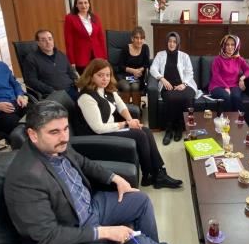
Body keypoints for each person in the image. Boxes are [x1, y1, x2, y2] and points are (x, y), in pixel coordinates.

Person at [4, 100, 203, 244]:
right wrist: (105, 231)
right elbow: (47, 236)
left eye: (65, 129)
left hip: (90, 206)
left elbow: (84, 163)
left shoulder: (57, 146)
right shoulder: (26, 177)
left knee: (140, 200)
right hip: (76, 228)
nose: (64, 137)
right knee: (140, 243)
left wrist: (115, 178)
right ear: (33, 135)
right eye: (54, 132)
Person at [77, 59, 183, 190]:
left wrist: (131, 121)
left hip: (110, 128)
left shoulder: (106, 89)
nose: (105, 79)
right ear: (91, 75)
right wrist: (126, 123)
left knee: (146, 131)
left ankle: (159, 172)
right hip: (98, 135)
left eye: (108, 75)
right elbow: (98, 128)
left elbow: (121, 106)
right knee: (140, 135)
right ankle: (150, 174)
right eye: (100, 75)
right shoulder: (86, 97)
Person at [150, 32, 199, 145]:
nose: (171, 44)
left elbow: (190, 73)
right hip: (168, 86)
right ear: (166, 42)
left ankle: (179, 127)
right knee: (171, 98)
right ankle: (169, 129)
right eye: (169, 41)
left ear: (177, 43)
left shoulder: (184, 56)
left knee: (187, 97)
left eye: (174, 42)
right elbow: (153, 69)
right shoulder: (160, 55)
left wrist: (184, 84)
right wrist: (162, 79)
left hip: (184, 85)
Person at [22, 30, 78, 100]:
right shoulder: (31, 59)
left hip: (70, 89)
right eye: (43, 40)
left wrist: (78, 82)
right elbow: (31, 81)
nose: (48, 42)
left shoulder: (60, 54)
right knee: (76, 105)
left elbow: (71, 73)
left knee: (87, 100)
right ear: (38, 43)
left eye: (50, 39)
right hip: (52, 94)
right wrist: (50, 90)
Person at [208, 34, 249, 113]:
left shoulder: (239, 59)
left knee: (236, 97)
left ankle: (239, 118)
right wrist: (226, 87)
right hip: (217, 85)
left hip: (234, 85)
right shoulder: (217, 60)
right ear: (223, 46)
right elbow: (216, 76)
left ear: (236, 46)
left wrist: (242, 78)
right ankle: (227, 119)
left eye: (232, 45)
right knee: (226, 96)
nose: (230, 47)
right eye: (227, 44)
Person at [64, 0, 107, 74]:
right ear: (76, 5)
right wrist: (71, 61)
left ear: (89, 4)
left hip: (97, 55)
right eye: (80, 3)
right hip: (81, 56)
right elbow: (69, 41)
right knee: (85, 79)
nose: (83, 5)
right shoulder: (70, 18)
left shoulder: (95, 18)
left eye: (85, 2)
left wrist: (104, 57)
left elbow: (101, 38)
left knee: (98, 77)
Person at [115, 26, 151, 109]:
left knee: (135, 86)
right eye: (137, 38)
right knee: (126, 87)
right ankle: (125, 112)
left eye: (141, 38)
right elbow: (120, 66)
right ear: (132, 38)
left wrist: (139, 71)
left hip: (138, 77)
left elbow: (147, 64)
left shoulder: (145, 48)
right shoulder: (126, 48)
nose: (139, 41)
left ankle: (136, 111)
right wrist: (133, 71)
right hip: (124, 76)